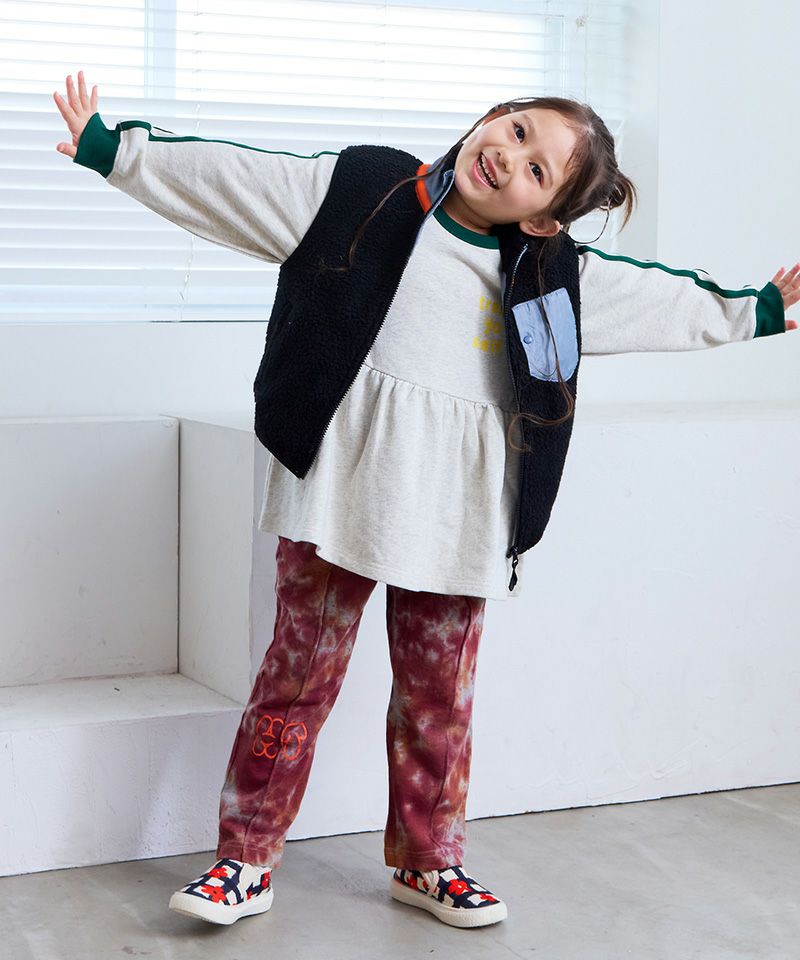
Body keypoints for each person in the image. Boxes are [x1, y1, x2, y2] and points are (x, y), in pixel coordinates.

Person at [54, 70, 798, 931]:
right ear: (492, 118)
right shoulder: (365, 195)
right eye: (516, 130)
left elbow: (655, 298)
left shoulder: (551, 279)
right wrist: (117, 153)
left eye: (537, 168)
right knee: (294, 684)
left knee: (438, 701)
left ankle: (429, 863)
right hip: (337, 497)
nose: (509, 156)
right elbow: (241, 180)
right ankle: (244, 859)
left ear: (544, 218)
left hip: (458, 517)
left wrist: (756, 310)